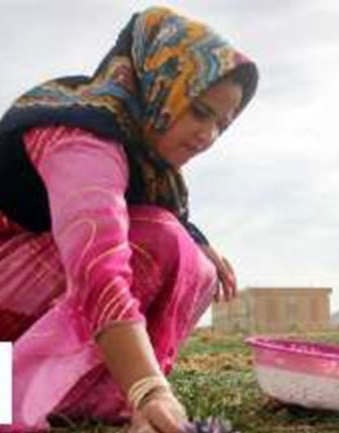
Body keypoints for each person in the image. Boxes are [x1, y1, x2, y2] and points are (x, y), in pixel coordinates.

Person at [0, 6, 257, 432]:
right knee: (160, 241)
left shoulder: (143, 161)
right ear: (160, 84)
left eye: (222, 126)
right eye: (199, 111)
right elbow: (97, 268)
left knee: (193, 258)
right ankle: (10, 396)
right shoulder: (82, 137)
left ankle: (107, 404)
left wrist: (198, 240)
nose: (208, 136)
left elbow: (154, 215)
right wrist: (150, 387)